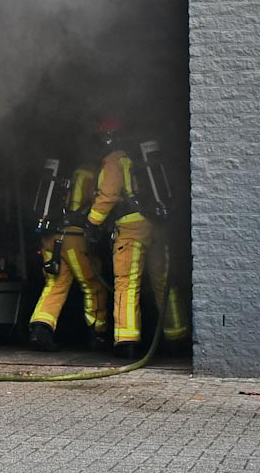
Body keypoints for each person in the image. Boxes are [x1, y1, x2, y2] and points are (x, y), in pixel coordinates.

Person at [81, 117, 189, 358]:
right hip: (157, 226)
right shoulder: (145, 156)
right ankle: (176, 336)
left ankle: (127, 341)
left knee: (127, 283)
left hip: (131, 229)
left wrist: (91, 223)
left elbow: (108, 195)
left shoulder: (114, 160)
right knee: (163, 282)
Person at [27, 159, 111, 350]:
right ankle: (97, 335)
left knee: (54, 284)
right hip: (74, 239)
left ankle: (40, 330)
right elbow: (101, 203)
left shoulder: (60, 173)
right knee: (93, 285)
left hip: (51, 238)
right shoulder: (89, 172)